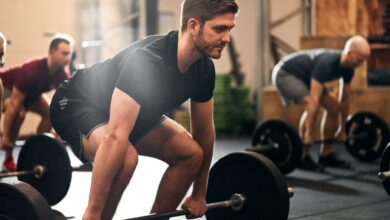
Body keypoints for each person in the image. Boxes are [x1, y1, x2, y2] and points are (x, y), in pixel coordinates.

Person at [50, 0, 239, 219]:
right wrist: (93, 211)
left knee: (190, 155)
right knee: (125, 159)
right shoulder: (148, 61)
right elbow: (115, 137)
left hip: (131, 113)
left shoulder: (204, 70)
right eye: (219, 29)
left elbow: (204, 131)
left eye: (229, 29)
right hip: (77, 102)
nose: (226, 38)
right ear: (194, 26)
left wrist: (199, 194)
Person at [272, 35, 370, 172]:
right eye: (360, 60)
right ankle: (302, 156)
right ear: (349, 54)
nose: (362, 64)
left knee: (334, 106)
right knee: (311, 104)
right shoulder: (327, 63)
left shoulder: (349, 68)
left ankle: (326, 154)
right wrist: (309, 134)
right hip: (285, 73)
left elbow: (345, 98)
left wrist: (342, 129)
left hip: (306, 76)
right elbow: (314, 99)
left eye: (364, 60)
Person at [0, 33, 73, 171]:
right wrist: (5, 136)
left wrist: (61, 130)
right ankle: (8, 158)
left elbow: (64, 103)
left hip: (31, 95)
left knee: (51, 112)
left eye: (69, 54)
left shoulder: (60, 73)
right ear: (51, 52)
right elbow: (14, 105)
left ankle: (39, 146)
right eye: (64, 53)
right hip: (7, 88)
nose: (68, 58)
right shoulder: (31, 71)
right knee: (20, 113)